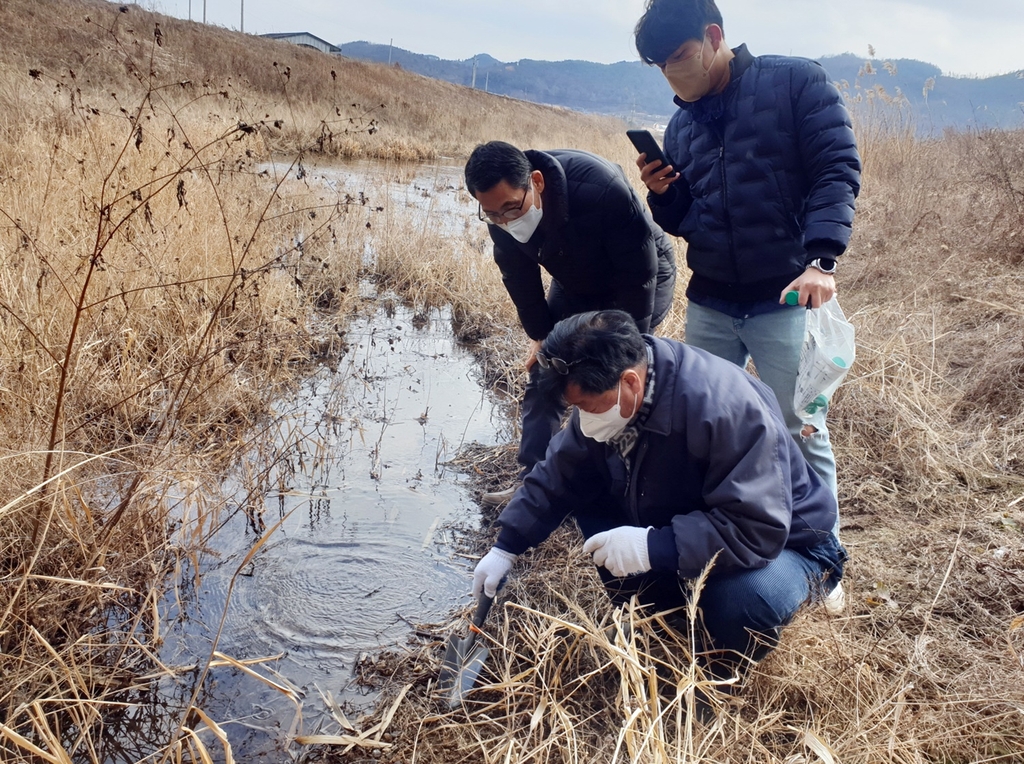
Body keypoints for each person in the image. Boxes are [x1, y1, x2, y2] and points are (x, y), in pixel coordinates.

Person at [472, 310, 845, 681]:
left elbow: (756, 529)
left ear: (630, 383)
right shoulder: (617, 391)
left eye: (586, 407)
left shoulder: (727, 409)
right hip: (696, 517)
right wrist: (506, 546)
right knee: (588, 499)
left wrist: (653, 547)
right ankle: (665, 613)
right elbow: (559, 473)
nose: (583, 421)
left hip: (789, 544)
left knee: (744, 602)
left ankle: (722, 669)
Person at [632, 0, 861, 506]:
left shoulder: (796, 82)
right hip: (711, 300)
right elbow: (692, 221)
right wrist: (665, 195)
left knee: (800, 428)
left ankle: (824, 561)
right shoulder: (683, 127)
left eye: (679, 55)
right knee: (703, 422)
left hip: (784, 296)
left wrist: (823, 259)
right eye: (659, 65)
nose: (672, 72)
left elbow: (837, 169)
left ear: (714, 37)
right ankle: (722, 536)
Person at [464, 142, 677, 506]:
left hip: (638, 276)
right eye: (493, 214)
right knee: (546, 370)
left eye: (512, 209)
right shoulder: (500, 209)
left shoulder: (601, 188)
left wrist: (631, 348)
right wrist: (541, 336)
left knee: (614, 375)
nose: (505, 221)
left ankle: (623, 485)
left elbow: (639, 273)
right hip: (574, 279)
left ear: (536, 182)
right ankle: (533, 484)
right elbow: (518, 276)